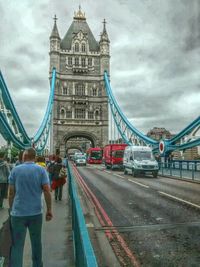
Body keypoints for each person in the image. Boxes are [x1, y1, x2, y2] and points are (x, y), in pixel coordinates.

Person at [8, 147, 53, 267]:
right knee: (36, 244)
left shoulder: (15, 170)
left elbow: (11, 193)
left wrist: (11, 208)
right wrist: (49, 210)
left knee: (17, 245)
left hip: (17, 214)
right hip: (36, 213)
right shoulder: (41, 170)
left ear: (24, 157)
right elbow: (47, 191)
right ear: (35, 157)